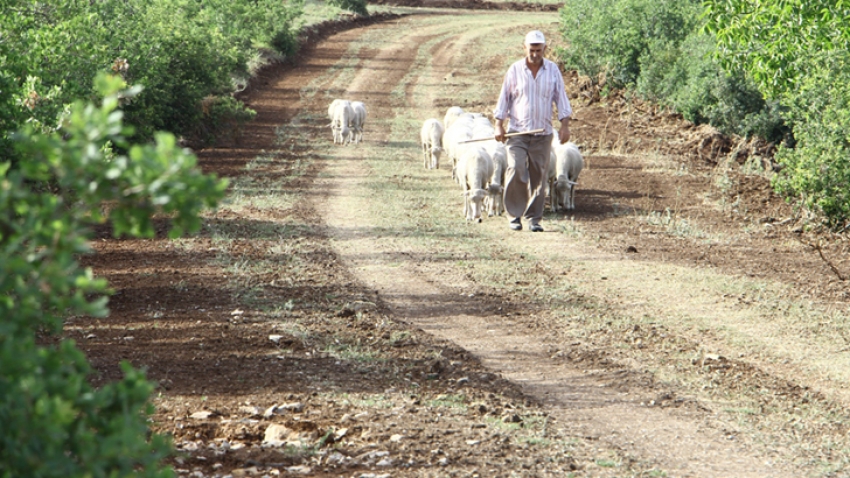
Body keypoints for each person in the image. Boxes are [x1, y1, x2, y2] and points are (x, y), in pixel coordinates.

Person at [493, 30, 573, 232]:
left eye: (539, 50)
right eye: (531, 50)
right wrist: (498, 124)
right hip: (518, 132)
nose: (535, 54)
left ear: (545, 49)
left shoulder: (553, 71)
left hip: (542, 133)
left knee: (540, 176)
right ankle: (514, 215)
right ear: (524, 48)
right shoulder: (515, 70)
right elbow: (504, 98)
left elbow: (561, 99)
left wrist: (564, 125)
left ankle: (534, 219)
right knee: (516, 168)